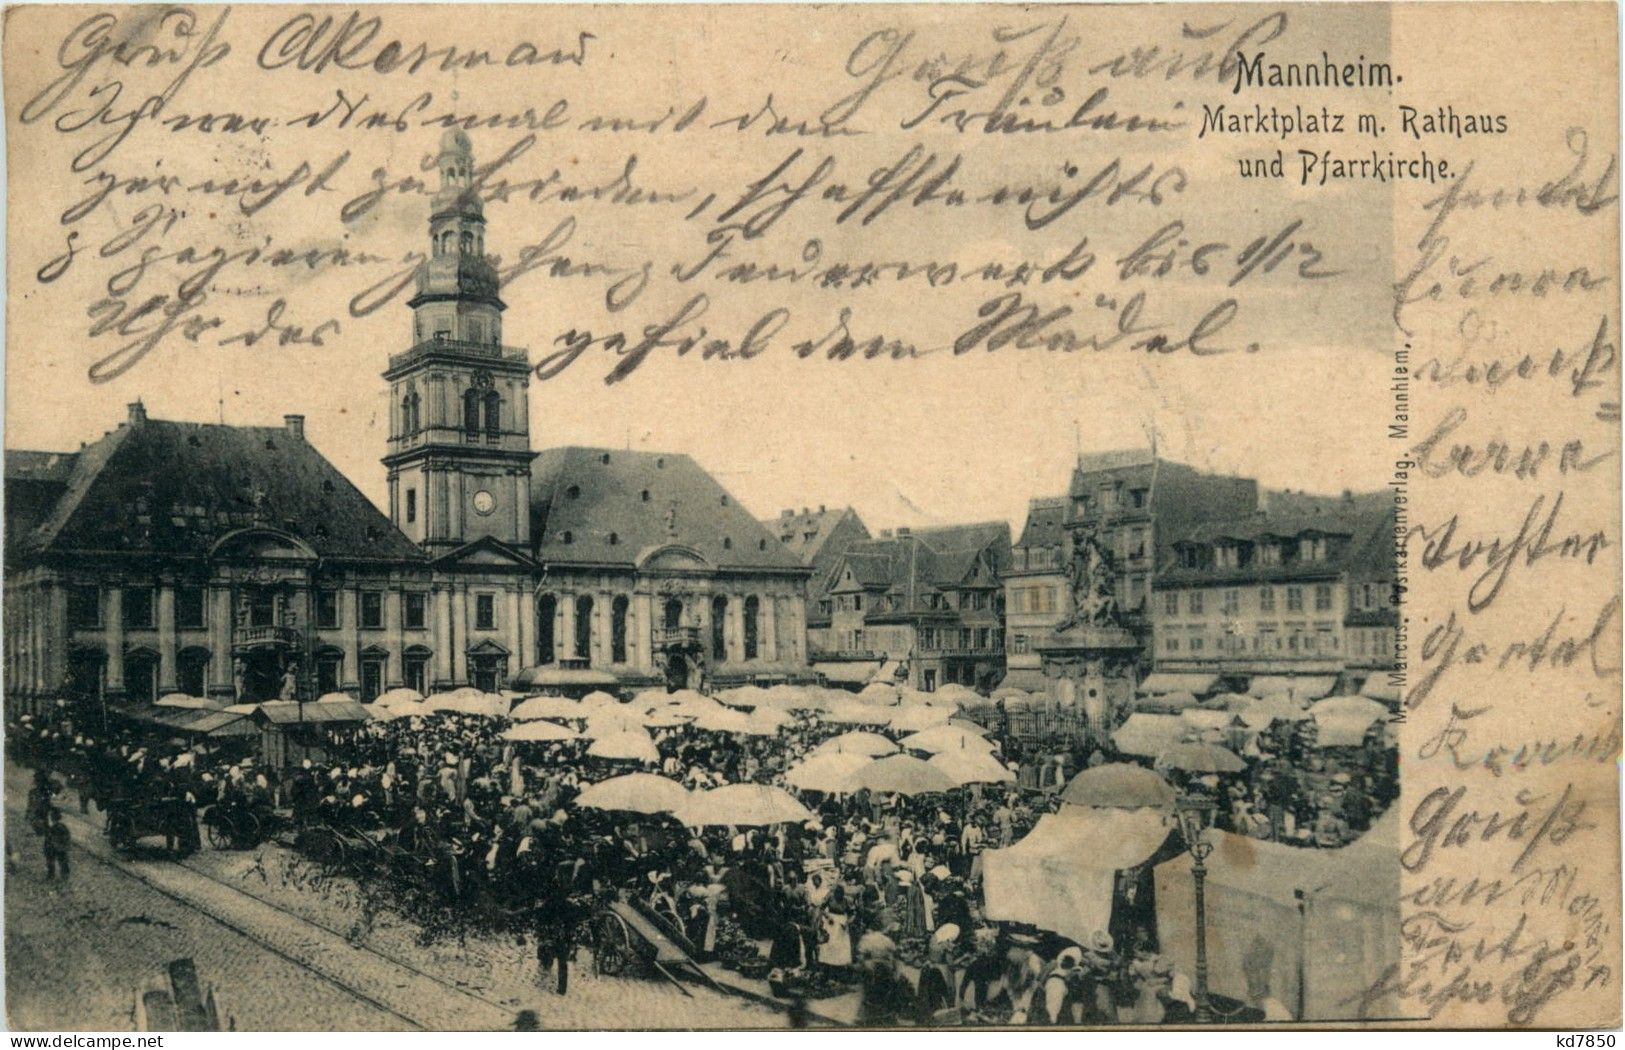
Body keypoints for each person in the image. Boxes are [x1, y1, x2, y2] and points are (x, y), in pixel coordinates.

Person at [43, 809, 70, 881]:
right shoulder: (63, 827)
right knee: (63, 861)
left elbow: (48, 840)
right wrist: (65, 846)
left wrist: (46, 849)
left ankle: (51, 875)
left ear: (51, 818)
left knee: (51, 861)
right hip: (61, 848)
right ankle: (65, 876)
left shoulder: (51, 828)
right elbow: (67, 837)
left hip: (53, 848)